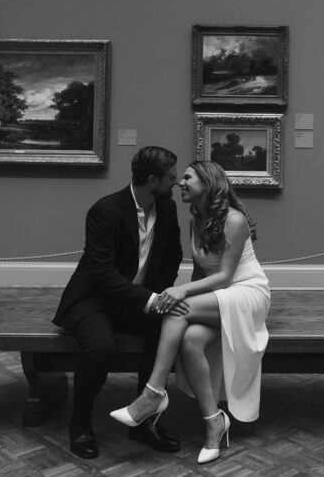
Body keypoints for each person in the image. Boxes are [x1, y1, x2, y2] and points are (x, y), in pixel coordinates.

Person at [110, 160, 270, 465]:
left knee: (176, 310)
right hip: (219, 298)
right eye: (180, 178)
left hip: (247, 293)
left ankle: (153, 393)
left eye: (187, 178)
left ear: (207, 183)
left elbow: (225, 276)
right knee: (190, 341)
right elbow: (200, 274)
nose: (180, 182)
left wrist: (181, 292)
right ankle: (214, 422)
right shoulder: (195, 218)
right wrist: (189, 292)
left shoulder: (233, 220)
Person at [52, 146, 186, 459]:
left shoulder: (166, 209)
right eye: (171, 177)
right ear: (152, 180)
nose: (176, 182)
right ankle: (80, 423)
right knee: (101, 348)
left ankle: (144, 421)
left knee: (163, 332)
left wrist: (161, 295)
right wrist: (150, 299)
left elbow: (172, 255)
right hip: (93, 299)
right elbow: (102, 274)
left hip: (135, 301)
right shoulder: (105, 210)